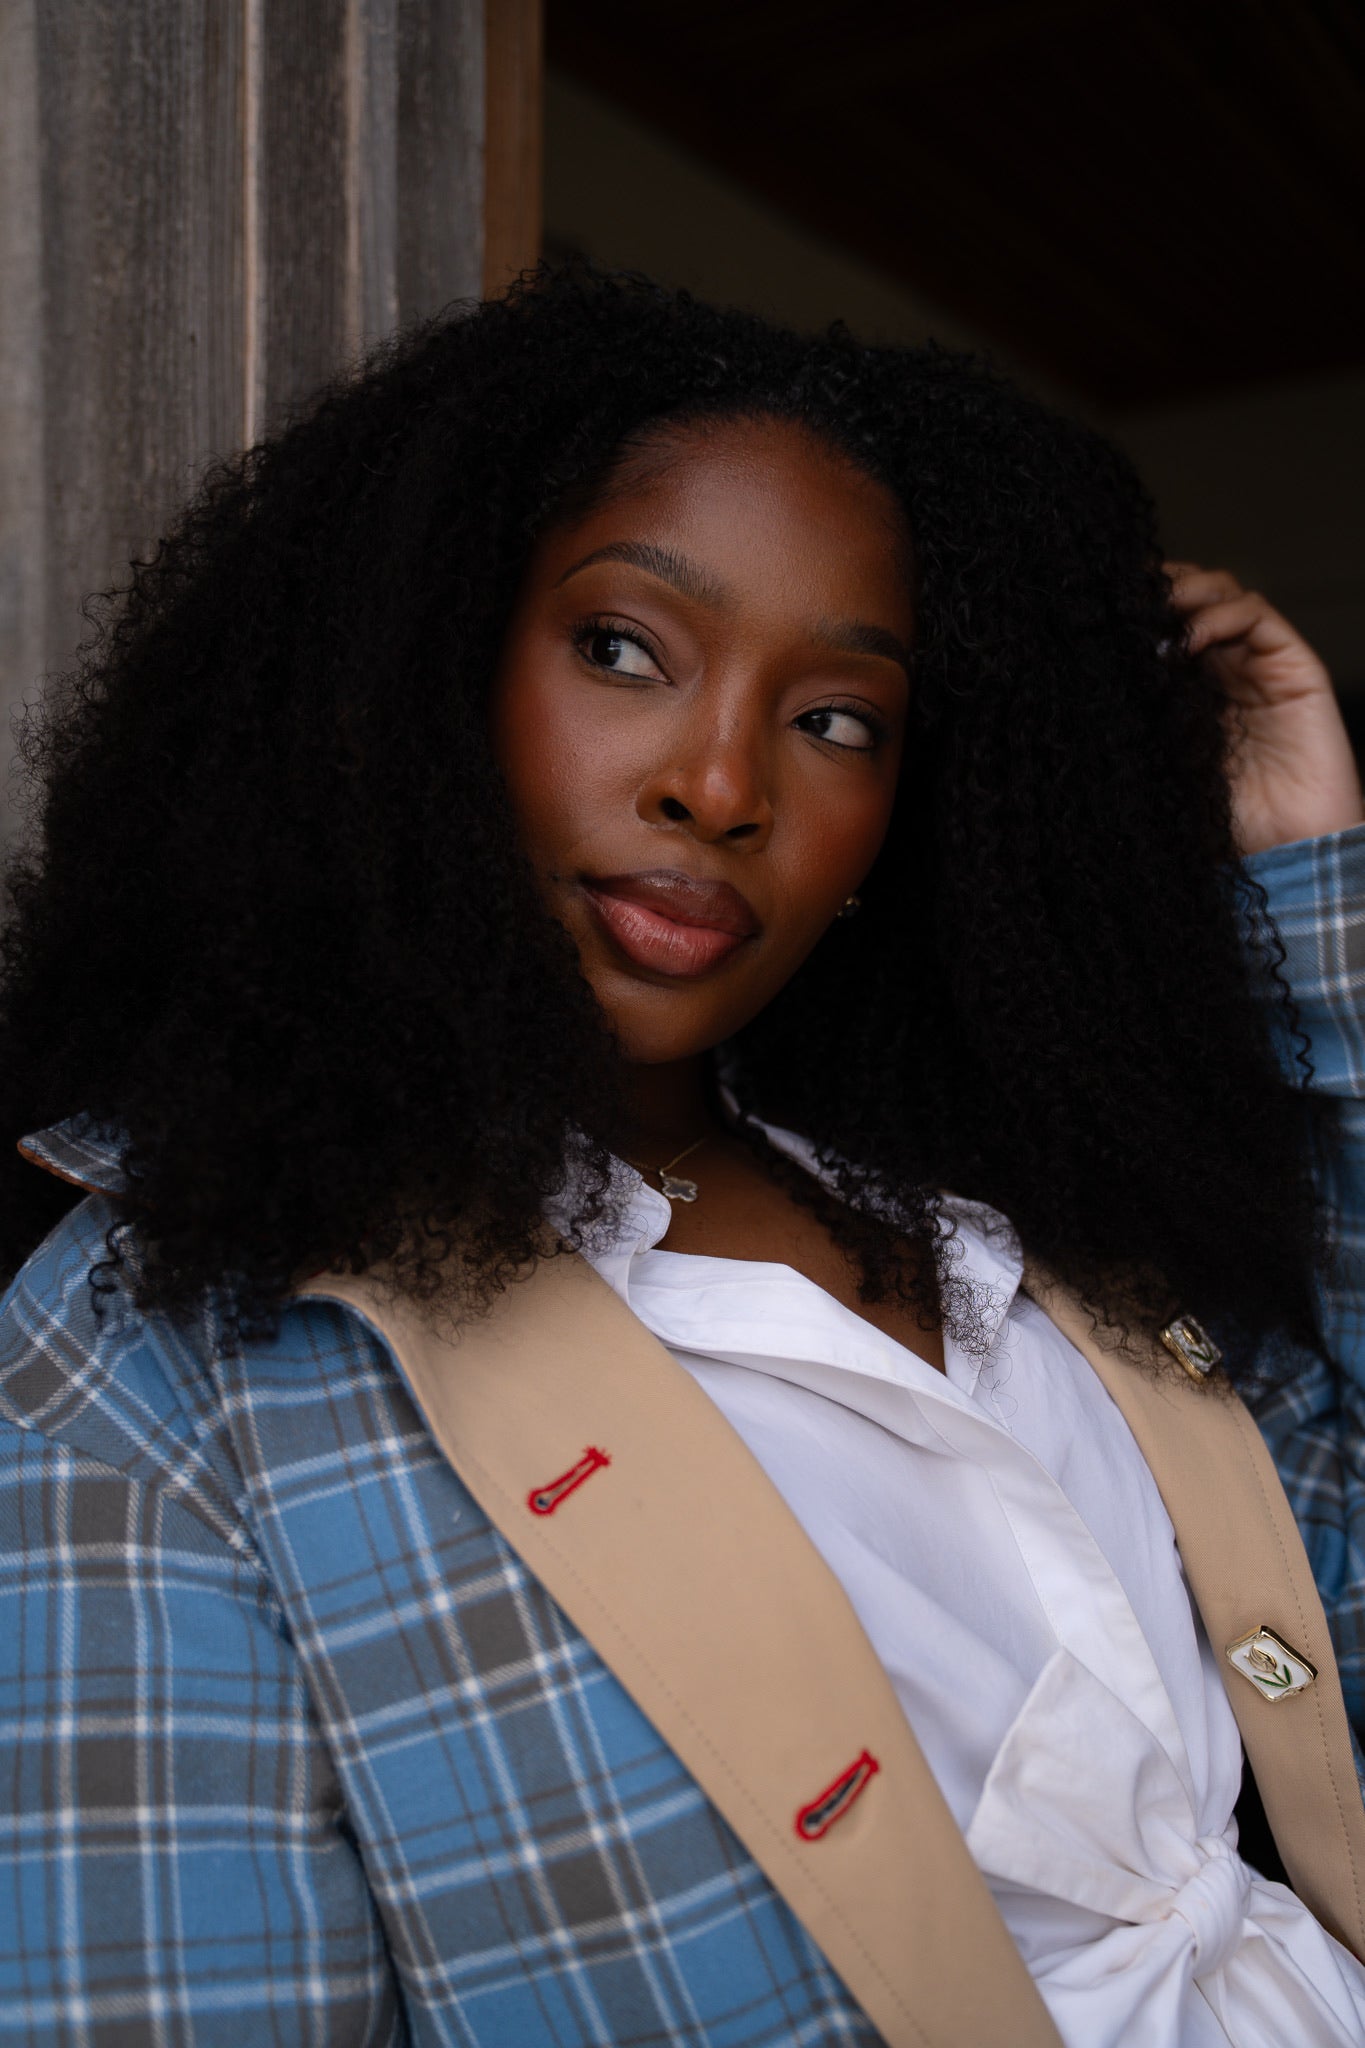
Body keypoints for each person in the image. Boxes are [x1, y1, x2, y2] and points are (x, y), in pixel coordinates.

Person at [2, 266, 1364, 2047]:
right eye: (626, 648)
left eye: (836, 721)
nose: (721, 785)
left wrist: (1300, 886)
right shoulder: (160, 1361)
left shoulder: (1028, 1231)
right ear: (423, 670)